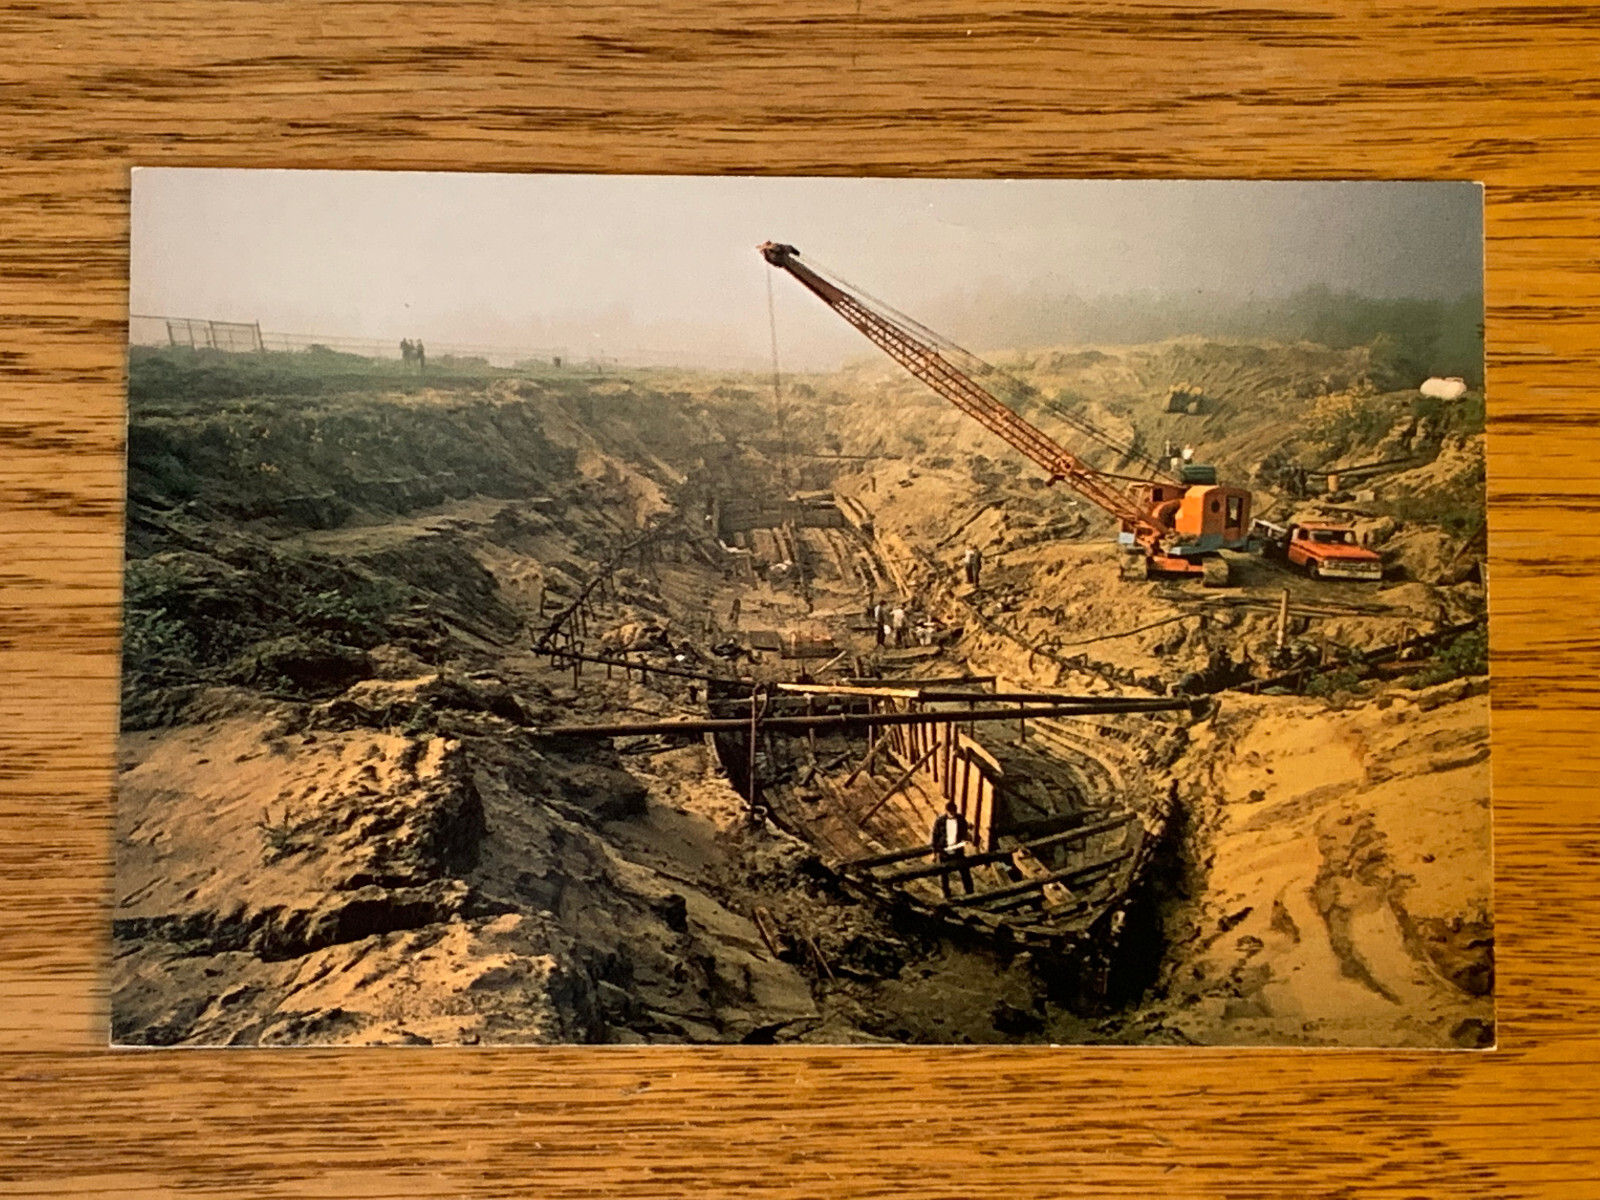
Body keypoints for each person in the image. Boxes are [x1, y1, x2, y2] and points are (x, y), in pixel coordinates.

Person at [931, 801, 974, 898]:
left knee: (964, 871)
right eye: (950, 812)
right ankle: (946, 894)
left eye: (954, 812)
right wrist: (934, 853)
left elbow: (964, 831)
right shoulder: (940, 821)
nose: (952, 814)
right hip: (944, 851)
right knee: (943, 874)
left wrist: (966, 839)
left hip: (957, 850)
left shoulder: (961, 819)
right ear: (946, 811)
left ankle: (970, 892)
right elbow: (935, 837)